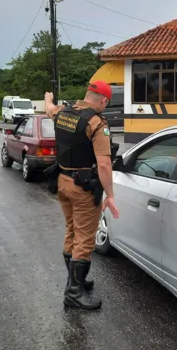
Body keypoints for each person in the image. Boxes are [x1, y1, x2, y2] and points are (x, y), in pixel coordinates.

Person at [44, 80, 120, 310]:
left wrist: (48, 98)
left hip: (63, 183)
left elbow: (49, 109)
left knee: (72, 230)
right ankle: (74, 292)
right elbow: (105, 163)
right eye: (107, 103)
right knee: (85, 239)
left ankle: (74, 280)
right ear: (104, 100)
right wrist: (111, 195)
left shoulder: (63, 113)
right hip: (83, 189)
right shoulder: (96, 123)